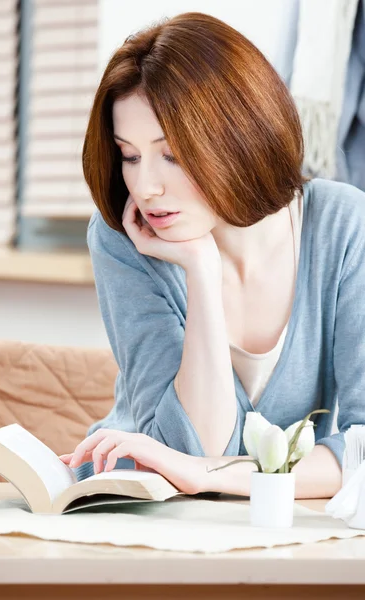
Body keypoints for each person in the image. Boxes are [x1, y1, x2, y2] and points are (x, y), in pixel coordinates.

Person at [60, 12, 365, 499]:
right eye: (130, 155)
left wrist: (209, 473)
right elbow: (185, 445)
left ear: (240, 138)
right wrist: (201, 270)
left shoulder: (345, 226)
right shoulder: (124, 234)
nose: (146, 187)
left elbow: (359, 451)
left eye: (173, 155)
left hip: (280, 526)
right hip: (145, 510)